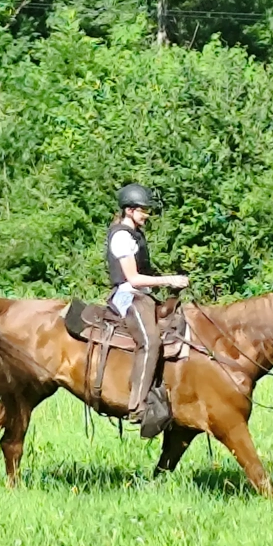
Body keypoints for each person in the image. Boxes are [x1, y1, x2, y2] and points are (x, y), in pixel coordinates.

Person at [105, 183, 188, 431]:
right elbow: (133, 278)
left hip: (142, 295)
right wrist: (169, 280)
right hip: (128, 296)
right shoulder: (121, 236)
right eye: (143, 210)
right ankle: (137, 406)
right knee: (150, 342)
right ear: (129, 210)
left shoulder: (135, 234)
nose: (146, 215)